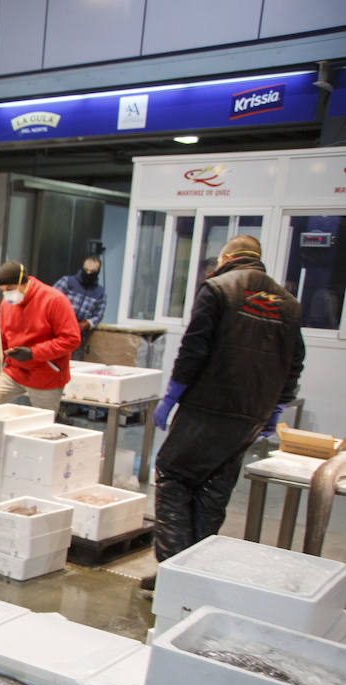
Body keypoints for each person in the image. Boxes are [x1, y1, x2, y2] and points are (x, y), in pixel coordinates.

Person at [145, 236, 305, 587]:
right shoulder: (289, 304)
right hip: (251, 415)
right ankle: (198, 573)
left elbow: (194, 349)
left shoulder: (217, 289)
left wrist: (172, 395)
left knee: (173, 475)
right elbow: (295, 362)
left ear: (227, 257)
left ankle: (174, 577)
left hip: (207, 406)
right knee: (213, 487)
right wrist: (276, 407)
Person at [0, 261, 80, 413]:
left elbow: (71, 339)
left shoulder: (54, 300)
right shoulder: (7, 304)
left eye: (10, 289)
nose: (7, 294)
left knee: (43, 427)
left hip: (46, 374)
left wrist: (33, 353)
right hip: (14, 371)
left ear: (24, 283)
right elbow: (2, 339)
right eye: (3, 290)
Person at [53, 256, 106, 354]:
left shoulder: (100, 292)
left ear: (97, 273)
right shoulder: (67, 282)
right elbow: (51, 300)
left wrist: (86, 324)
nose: (88, 274)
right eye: (86, 270)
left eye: (92, 272)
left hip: (77, 336)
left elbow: (98, 315)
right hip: (57, 330)